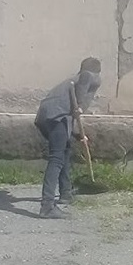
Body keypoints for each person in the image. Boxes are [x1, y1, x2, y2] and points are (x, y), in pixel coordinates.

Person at [34, 57, 102, 219]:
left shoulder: (70, 82)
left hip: (47, 116)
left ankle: (66, 192)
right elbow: (83, 87)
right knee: (57, 157)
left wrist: (78, 135)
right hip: (57, 116)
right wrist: (80, 105)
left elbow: (69, 114)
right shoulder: (87, 76)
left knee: (65, 151)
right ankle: (47, 206)